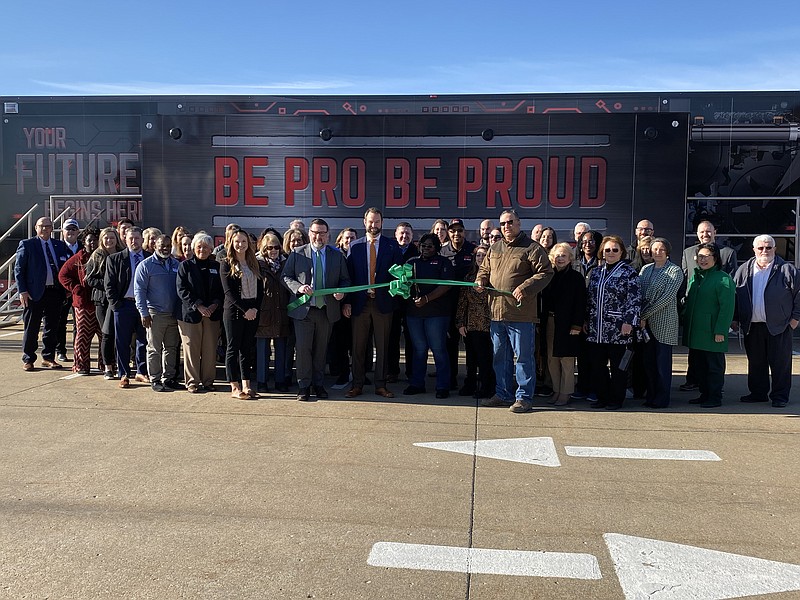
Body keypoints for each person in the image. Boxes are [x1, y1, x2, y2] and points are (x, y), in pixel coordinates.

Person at [475, 210, 553, 413]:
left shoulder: (532, 248)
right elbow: (484, 269)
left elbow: (545, 272)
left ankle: (524, 397)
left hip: (520, 315)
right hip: (496, 313)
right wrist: (480, 280)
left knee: (523, 358)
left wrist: (525, 288)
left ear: (519, 223)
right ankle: (503, 394)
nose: (506, 226)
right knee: (500, 357)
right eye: (503, 223)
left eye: (510, 222)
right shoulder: (494, 248)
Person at [282, 218, 349, 401]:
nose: (317, 236)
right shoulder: (297, 253)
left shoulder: (337, 256)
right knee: (303, 350)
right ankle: (303, 386)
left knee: (321, 350)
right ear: (309, 233)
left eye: (321, 233)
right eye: (314, 232)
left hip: (326, 311)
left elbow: (345, 280)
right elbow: (286, 277)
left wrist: (341, 293)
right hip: (303, 310)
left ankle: (318, 385)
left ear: (328, 235)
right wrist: (299, 288)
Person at [732, 235, 800, 408]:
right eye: (760, 248)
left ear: (775, 249)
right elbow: (735, 295)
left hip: (780, 326)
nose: (765, 251)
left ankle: (780, 396)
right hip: (752, 326)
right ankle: (758, 393)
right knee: (756, 362)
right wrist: (735, 318)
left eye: (768, 248)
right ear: (753, 249)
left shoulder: (787, 270)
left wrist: (795, 319)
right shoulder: (743, 269)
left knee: (780, 364)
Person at [343, 208, 403, 399]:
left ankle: (380, 385)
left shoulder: (392, 246)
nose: (373, 225)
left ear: (382, 223)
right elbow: (349, 277)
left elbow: (399, 275)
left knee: (383, 346)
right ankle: (357, 384)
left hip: (383, 303)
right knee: (358, 346)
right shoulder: (355, 246)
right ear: (364, 222)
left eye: (377, 222)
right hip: (360, 303)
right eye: (370, 221)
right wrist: (347, 302)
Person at [679, 220, 738, 393]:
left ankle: (713, 395)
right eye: (701, 232)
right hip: (696, 323)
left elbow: (727, 303)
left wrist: (722, 328)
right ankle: (701, 390)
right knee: (698, 359)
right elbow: (685, 284)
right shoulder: (694, 268)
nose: (705, 234)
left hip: (712, 325)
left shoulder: (724, 273)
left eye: (708, 231)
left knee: (713, 363)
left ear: (715, 232)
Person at [584, 235, 641, 410]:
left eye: (615, 250)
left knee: (618, 367)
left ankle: (616, 399)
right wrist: (586, 319)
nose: (611, 253)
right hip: (596, 328)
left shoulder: (628, 272)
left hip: (618, 328)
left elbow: (635, 299)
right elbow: (589, 298)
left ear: (621, 251)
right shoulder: (596, 272)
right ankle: (602, 397)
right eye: (607, 249)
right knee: (597, 366)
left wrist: (629, 322)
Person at [16, 216, 72, 371]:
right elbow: (19, 270)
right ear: (36, 228)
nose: (45, 229)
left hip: (55, 292)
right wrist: (23, 291)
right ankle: (28, 358)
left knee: (52, 327)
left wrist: (66, 289)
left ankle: (48, 357)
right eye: (42, 226)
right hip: (34, 293)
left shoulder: (59, 245)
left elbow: (66, 268)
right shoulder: (27, 245)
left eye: (48, 226)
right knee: (32, 327)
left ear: (52, 229)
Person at [402, 233, 454, 398]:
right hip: (414, 313)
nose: (426, 248)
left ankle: (443, 386)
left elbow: (445, 286)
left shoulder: (444, 262)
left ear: (437, 247)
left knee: (438, 349)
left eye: (430, 246)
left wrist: (426, 298)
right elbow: (403, 283)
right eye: (423, 245)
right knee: (419, 349)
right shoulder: (411, 262)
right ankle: (417, 383)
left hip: (437, 314)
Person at [638, 238, 683, 408]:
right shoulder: (645, 269)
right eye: (654, 249)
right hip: (645, 324)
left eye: (661, 249)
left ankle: (662, 398)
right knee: (648, 363)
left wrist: (644, 314)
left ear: (667, 251)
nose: (657, 252)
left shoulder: (674, 271)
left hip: (664, 322)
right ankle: (650, 395)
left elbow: (666, 298)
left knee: (662, 364)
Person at [177, 233, 224, 393]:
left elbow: (221, 290)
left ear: (211, 249)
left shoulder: (216, 267)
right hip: (191, 315)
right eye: (199, 246)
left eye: (205, 247)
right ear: (193, 248)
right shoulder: (185, 266)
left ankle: (208, 381)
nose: (202, 249)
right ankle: (192, 382)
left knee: (210, 349)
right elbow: (182, 290)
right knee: (191, 350)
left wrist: (214, 305)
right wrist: (198, 306)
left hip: (212, 314)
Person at [134, 234, 182, 392]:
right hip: (155, 314)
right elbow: (139, 291)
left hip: (173, 314)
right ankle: (155, 379)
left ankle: (168, 378)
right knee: (154, 348)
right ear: (155, 245)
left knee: (171, 348)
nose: (166, 248)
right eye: (162, 245)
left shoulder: (176, 264)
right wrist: (144, 312)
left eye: (168, 246)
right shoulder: (145, 266)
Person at [104, 226, 151, 388]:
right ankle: (124, 374)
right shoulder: (115, 259)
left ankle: (141, 371)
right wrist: (116, 306)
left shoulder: (149, 258)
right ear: (125, 239)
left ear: (142, 240)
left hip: (144, 306)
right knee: (122, 342)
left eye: (137, 238)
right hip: (124, 305)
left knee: (143, 340)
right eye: (131, 238)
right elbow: (108, 285)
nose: (134, 241)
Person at [540, 243, 586, 406]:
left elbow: (581, 304)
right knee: (552, 359)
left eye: (564, 255)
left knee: (566, 360)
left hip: (568, 324)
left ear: (570, 258)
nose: (560, 258)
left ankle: (566, 392)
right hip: (550, 322)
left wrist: (577, 325)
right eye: (557, 255)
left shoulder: (576, 278)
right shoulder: (548, 276)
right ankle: (556, 389)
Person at [221, 229, 263, 400]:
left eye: (244, 241)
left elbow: (261, 290)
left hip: (252, 311)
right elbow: (229, 292)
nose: (240, 244)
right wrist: (245, 310)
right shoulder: (225, 263)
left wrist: (254, 309)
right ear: (231, 242)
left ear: (249, 244)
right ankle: (234, 387)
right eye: (237, 241)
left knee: (246, 348)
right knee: (233, 348)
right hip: (234, 312)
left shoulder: (254, 263)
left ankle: (247, 385)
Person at [57, 227, 101, 375]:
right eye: (90, 241)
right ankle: (81, 365)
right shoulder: (78, 259)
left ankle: (106, 364)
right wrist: (76, 289)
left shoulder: (104, 256)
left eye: (95, 240)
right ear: (84, 242)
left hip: (101, 304)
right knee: (82, 336)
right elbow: (63, 275)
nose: (93, 243)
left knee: (105, 335)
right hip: (84, 304)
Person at [440, 218, 477, 389]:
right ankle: (452, 377)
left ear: (464, 232)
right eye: (453, 231)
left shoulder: (473, 250)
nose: (456, 234)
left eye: (459, 230)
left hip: (470, 305)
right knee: (451, 343)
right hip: (449, 304)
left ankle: (471, 378)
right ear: (448, 233)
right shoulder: (442, 252)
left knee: (471, 343)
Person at [456, 245, 495, 399]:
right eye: (478, 255)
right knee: (471, 358)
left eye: (483, 255)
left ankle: (487, 387)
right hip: (470, 323)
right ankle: (470, 384)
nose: (480, 258)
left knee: (485, 359)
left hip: (488, 323)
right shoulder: (469, 277)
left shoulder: (494, 278)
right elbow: (462, 302)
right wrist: (460, 323)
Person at [84, 227, 123, 380]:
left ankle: (121, 364)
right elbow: (90, 279)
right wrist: (109, 284)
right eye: (106, 238)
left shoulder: (122, 253)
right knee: (106, 334)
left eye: (112, 237)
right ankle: (108, 367)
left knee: (121, 334)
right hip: (102, 300)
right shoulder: (97, 255)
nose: (109, 240)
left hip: (120, 299)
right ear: (101, 240)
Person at [256, 232, 290, 393]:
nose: (274, 250)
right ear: (264, 249)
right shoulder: (257, 264)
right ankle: (262, 381)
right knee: (262, 350)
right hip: (264, 312)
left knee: (281, 349)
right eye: (270, 248)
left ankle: (280, 381)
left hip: (282, 311)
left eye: (276, 247)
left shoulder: (286, 263)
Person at [387, 222, 418, 384]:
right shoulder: (389, 250)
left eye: (408, 234)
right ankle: (392, 371)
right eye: (401, 233)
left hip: (411, 302)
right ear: (396, 234)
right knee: (392, 338)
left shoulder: (417, 253)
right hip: (392, 301)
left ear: (412, 237)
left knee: (411, 338)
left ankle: (412, 372)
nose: (404, 236)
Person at [329, 227, 359, 388]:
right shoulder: (334, 256)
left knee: (359, 342)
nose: (349, 241)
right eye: (346, 238)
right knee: (341, 342)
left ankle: (359, 373)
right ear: (340, 240)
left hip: (358, 304)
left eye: (353, 238)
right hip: (337, 305)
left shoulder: (360, 255)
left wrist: (351, 302)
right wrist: (344, 302)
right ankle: (342, 372)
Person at [56, 218, 81, 362]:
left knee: (79, 323)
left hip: (79, 292)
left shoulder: (84, 247)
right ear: (63, 231)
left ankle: (78, 352)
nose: (70, 232)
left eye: (73, 229)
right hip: (62, 292)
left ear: (78, 231)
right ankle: (61, 350)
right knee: (61, 322)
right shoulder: (57, 247)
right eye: (67, 229)